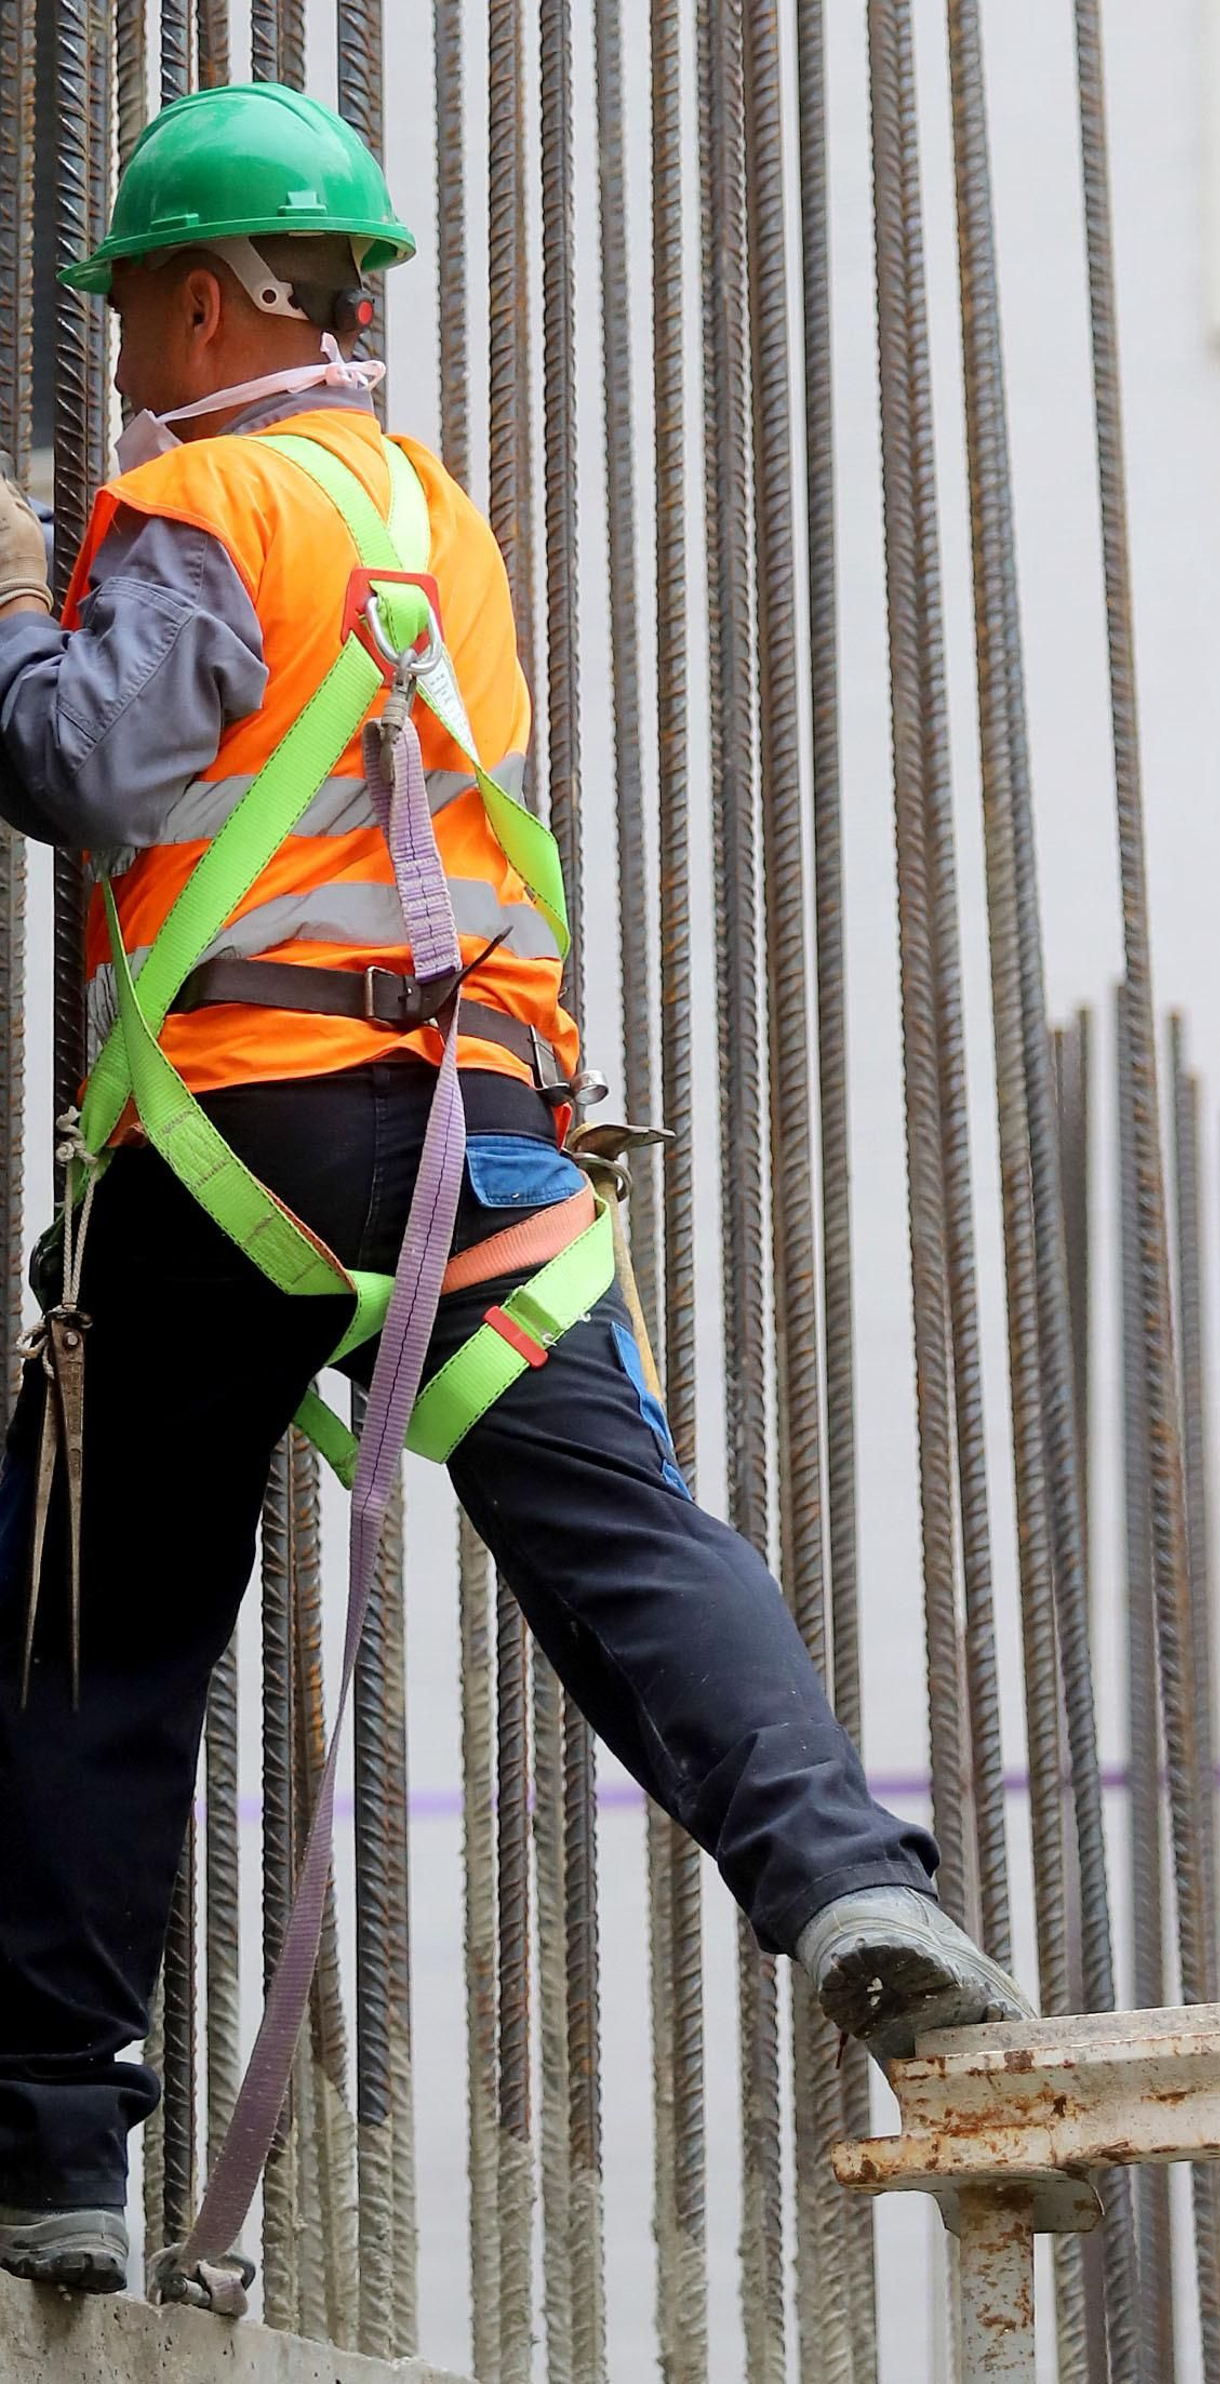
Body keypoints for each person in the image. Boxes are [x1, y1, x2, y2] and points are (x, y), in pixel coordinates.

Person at [0, 83, 1027, 2297]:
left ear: (205, 304)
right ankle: (851, 1881)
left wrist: (7, 615)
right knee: (622, 1531)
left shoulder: (202, 497)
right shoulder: (429, 514)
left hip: (239, 1132)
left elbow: (86, 767)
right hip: (476, 1128)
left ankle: (54, 2146)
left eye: (132, 310)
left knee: (95, 1627)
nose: (120, 355)